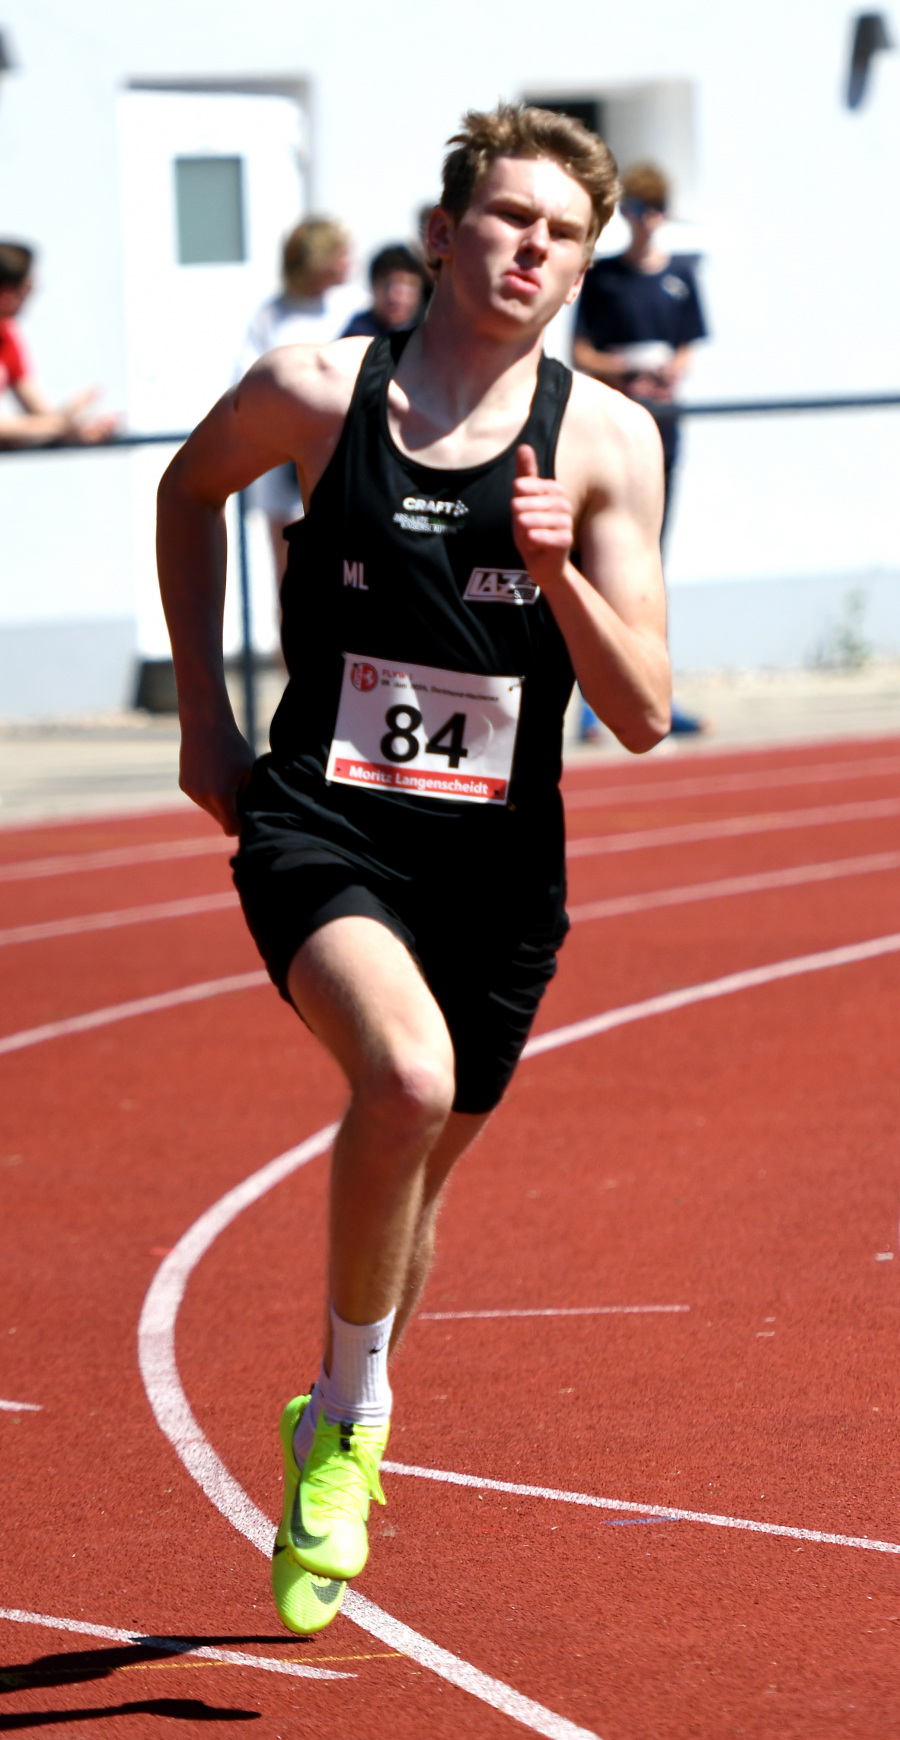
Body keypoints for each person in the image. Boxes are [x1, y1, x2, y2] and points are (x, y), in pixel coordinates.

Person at [157, 102, 671, 1636]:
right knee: (401, 1082)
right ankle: (360, 1429)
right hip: (326, 818)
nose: (534, 250)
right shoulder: (319, 391)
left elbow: (642, 710)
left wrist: (563, 563)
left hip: (504, 872)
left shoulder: (608, 440)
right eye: (509, 218)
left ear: (585, 264)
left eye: (564, 234)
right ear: (445, 234)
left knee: (417, 1172)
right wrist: (206, 716)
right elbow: (188, 494)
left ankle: (334, 1402)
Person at [572, 161, 707, 737]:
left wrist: (666, 374)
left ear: (664, 214)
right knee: (597, 560)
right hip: (612, 434)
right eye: (633, 210)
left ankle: (653, 691)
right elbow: (582, 352)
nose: (643, 221)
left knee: (652, 562)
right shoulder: (603, 278)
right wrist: (628, 367)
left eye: (651, 210)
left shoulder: (680, 277)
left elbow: (687, 348)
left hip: (663, 432)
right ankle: (586, 703)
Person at [237, 218, 366, 580]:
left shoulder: (354, 307)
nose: (349, 262)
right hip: (284, 462)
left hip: (344, 459)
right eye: (340, 254)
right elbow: (247, 385)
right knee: (292, 575)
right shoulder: (270, 317)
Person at [0, 242, 116, 447]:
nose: (32, 294)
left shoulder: (7, 336)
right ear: (7, 293)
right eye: (27, 287)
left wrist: (78, 430)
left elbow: (43, 415)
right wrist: (62, 423)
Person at [340, 244, 428, 339]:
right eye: (388, 285)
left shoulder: (423, 336)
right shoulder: (357, 335)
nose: (398, 298)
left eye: (409, 287)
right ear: (373, 286)